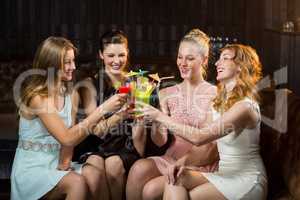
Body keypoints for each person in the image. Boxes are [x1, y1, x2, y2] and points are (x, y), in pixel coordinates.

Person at [139, 44, 268, 200]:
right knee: (174, 178)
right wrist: (182, 162)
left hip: (247, 178)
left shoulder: (245, 107)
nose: (217, 63)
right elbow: (205, 143)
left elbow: (200, 137)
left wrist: (158, 116)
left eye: (225, 58)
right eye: (218, 59)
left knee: (176, 186)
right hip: (225, 172)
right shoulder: (219, 102)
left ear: (241, 67)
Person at [10, 36, 127, 200]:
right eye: (67, 62)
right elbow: (67, 138)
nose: (73, 66)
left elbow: (71, 136)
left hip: (55, 162)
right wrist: (103, 109)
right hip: (32, 167)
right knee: (76, 183)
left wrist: (64, 164)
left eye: (73, 61)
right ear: (51, 64)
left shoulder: (70, 94)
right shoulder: (38, 97)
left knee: (94, 174)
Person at [75, 29, 171, 200]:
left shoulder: (139, 82)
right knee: (94, 165)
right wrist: (121, 113)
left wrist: (145, 108)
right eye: (110, 55)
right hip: (97, 145)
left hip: (127, 145)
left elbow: (146, 126)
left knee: (113, 164)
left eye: (121, 55)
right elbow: (96, 131)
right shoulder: (90, 85)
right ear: (101, 55)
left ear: (128, 53)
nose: (116, 61)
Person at [126, 29, 219, 200]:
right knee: (138, 169)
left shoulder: (215, 94)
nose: (182, 63)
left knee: (150, 191)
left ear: (204, 60)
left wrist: (160, 117)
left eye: (190, 58)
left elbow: (210, 148)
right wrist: (150, 117)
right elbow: (160, 140)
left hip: (198, 163)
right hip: (170, 157)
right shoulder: (166, 93)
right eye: (180, 57)